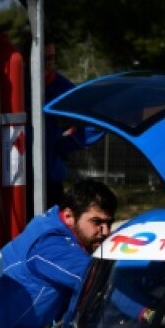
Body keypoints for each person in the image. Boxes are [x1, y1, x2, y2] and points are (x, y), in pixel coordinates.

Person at [0, 179, 117, 328]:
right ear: (69, 216)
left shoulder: (59, 227)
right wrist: (143, 312)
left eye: (109, 223)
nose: (106, 231)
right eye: (97, 222)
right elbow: (100, 283)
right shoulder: (50, 245)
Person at [42, 42, 102, 208]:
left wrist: (60, 146)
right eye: (42, 58)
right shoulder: (16, 84)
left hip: (50, 179)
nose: (47, 64)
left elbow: (95, 124)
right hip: (15, 176)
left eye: (51, 58)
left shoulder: (64, 90)